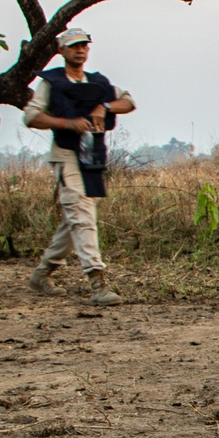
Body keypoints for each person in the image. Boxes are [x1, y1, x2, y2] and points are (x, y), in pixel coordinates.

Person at [23, 26, 135, 307]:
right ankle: (97, 281)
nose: (80, 50)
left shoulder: (98, 83)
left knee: (76, 217)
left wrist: (104, 106)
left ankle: (42, 274)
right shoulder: (52, 82)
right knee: (82, 214)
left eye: (84, 45)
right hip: (65, 153)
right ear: (61, 50)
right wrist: (66, 123)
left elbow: (128, 101)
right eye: (74, 46)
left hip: (91, 155)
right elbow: (31, 116)